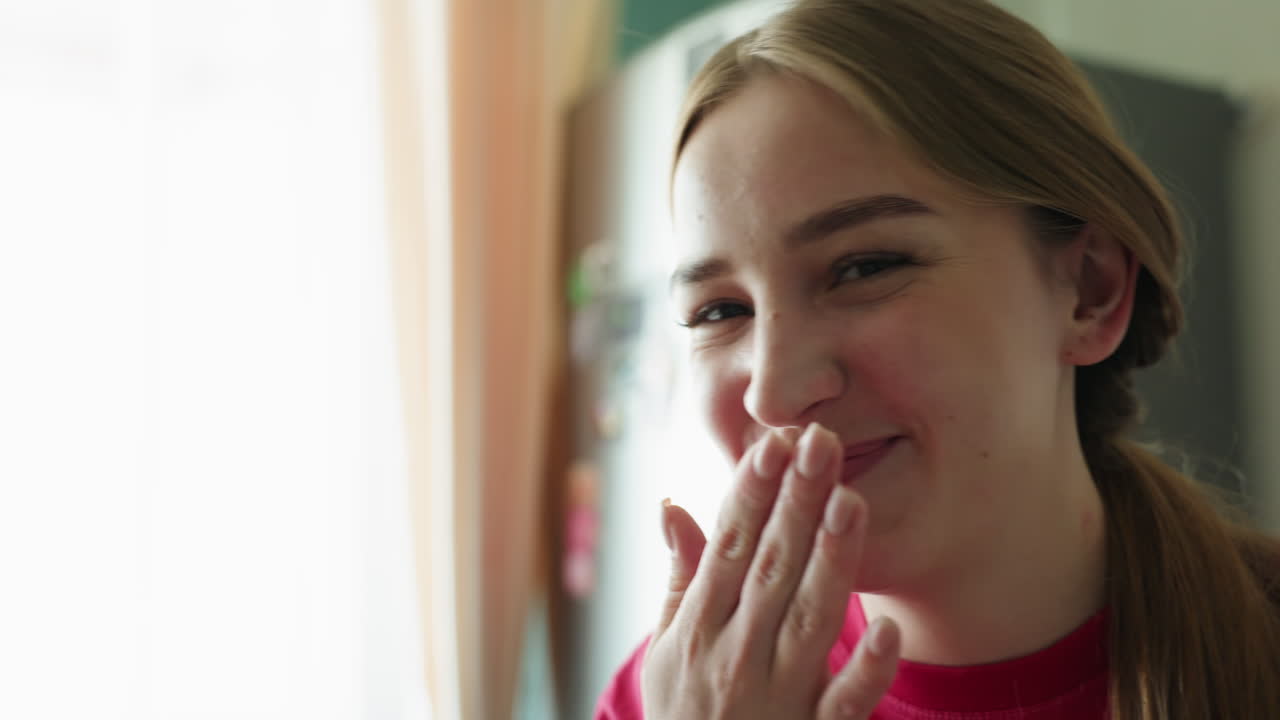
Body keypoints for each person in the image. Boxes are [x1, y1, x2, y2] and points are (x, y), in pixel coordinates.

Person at [591, 0, 1280, 718]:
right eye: (719, 311)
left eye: (864, 267)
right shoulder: (674, 697)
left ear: (1089, 292)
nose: (775, 392)